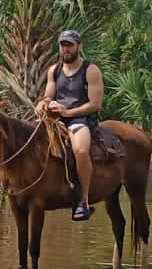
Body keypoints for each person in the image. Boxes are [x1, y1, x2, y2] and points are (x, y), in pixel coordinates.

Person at [34, 29, 105, 221]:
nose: (66, 49)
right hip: (56, 118)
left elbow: (95, 104)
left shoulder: (91, 70)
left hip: (81, 118)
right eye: (63, 45)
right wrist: (42, 103)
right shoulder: (54, 70)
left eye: (70, 45)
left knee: (80, 150)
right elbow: (49, 95)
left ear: (79, 46)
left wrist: (68, 112)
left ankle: (83, 200)